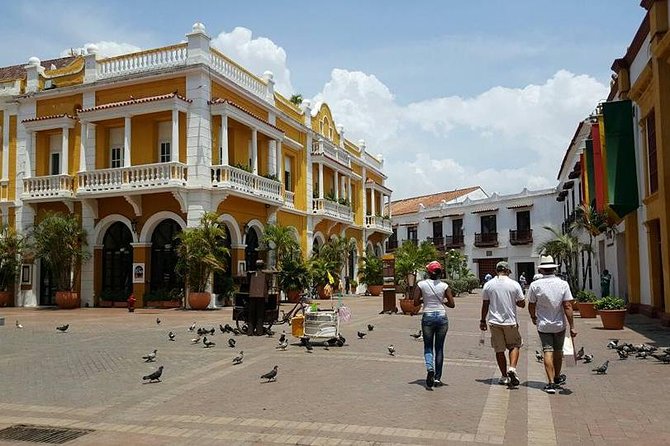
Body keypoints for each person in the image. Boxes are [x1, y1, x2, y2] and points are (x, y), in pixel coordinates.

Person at [527, 255, 577, 394]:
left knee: (547, 350)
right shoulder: (563, 284)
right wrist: (572, 325)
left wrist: (533, 317)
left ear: (542, 270)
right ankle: (556, 377)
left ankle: (550, 383)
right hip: (559, 324)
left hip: (543, 324)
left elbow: (531, 304)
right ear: (554, 269)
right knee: (558, 351)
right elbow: (567, 305)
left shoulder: (535, 285)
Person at [480, 261, 525, 387]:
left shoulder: (488, 285)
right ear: (507, 270)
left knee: (499, 350)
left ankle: (504, 376)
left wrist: (482, 320)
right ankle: (512, 368)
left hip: (494, 322)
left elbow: (485, 305)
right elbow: (522, 303)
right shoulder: (514, 284)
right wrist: (513, 302)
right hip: (510, 321)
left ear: (496, 271)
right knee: (515, 345)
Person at [413, 261, 455, 389]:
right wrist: (442, 301)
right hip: (442, 317)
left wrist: (424, 300)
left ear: (428, 272)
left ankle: (430, 369)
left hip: (428, 317)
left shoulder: (421, 285)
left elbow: (415, 303)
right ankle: (437, 378)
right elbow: (452, 304)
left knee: (428, 347)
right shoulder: (444, 286)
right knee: (439, 348)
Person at [247, 259, 268, 336]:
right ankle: (259, 331)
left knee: (251, 314)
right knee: (260, 314)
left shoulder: (252, 274)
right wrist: (266, 297)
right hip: (261, 296)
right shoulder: (264, 274)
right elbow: (266, 286)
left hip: (252, 296)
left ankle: (250, 331)